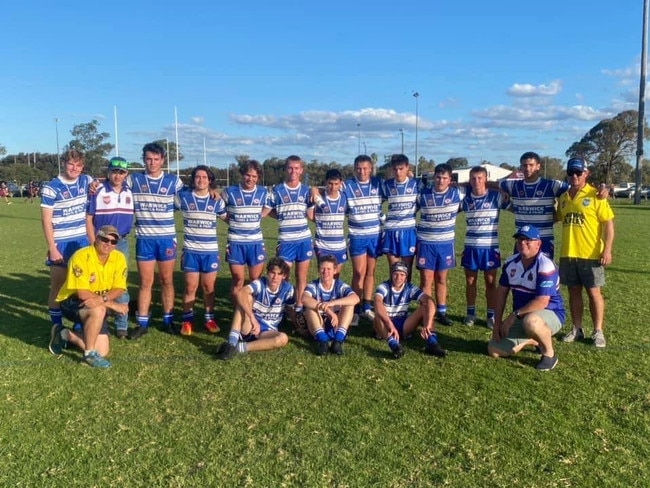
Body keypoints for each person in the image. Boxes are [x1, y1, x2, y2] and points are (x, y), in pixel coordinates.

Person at [48, 225, 129, 368]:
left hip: (96, 303)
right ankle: (89, 355)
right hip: (72, 301)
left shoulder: (119, 258)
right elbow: (82, 293)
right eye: (105, 239)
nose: (108, 244)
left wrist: (100, 300)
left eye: (113, 242)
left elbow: (119, 288)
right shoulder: (81, 256)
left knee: (102, 352)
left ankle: (64, 334)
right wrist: (111, 304)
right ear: (96, 238)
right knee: (99, 310)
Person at [488, 225, 565, 371]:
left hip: (550, 313)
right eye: (519, 240)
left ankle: (549, 354)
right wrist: (497, 324)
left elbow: (542, 301)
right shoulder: (511, 263)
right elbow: (501, 294)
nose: (522, 243)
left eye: (527, 240)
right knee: (494, 350)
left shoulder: (546, 266)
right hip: (521, 317)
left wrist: (513, 316)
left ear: (538, 243)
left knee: (532, 322)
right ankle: (533, 340)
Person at [556, 157, 614, 348]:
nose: (574, 176)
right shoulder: (563, 198)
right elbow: (555, 218)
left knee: (594, 293)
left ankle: (598, 331)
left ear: (586, 174)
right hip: (568, 254)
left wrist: (607, 249)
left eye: (578, 173)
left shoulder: (596, 195)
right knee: (573, 293)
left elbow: (608, 224)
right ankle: (577, 329)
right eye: (571, 172)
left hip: (590, 255)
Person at [128, 142, 184, 339]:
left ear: (162, 161)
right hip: (144, 238)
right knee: (145, 282)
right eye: (148, 159)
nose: (152, 163)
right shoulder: (133, 180)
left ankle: (168, 320)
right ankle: (142, 322)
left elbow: (191, 195)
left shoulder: (173, 182)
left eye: (156, 159)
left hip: (166, 239)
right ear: (143, 159)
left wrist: (211, 191)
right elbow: (114, 185)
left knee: (166, 280)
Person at [42, 149, 94, 352]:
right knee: (58, 287)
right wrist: (52, 248)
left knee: (81, 287)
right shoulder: (51, 187)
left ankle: (79, 326)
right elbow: (46, 220)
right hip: (61, 243)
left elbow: (97, 184)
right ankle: (56, 326)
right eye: (71, 164)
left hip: (81, 242)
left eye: (79, 165)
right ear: (64, 163)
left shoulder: (86, 180)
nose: (75, 168)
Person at [85, 156, 134, 338]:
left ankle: (122, 323)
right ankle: (96, 316)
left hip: (121, 243)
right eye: (114, 171)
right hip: (100, 242)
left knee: (120, 282)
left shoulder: (130, 191)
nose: (117, 175)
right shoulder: (97, 190)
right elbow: (89, 219)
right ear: (108, 172)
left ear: (126, 174)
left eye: (121, 172)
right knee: (96, 281)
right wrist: (92, 242)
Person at [176, 165, 227, 336]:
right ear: (193, 179)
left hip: (210, 251)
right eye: (198, 177)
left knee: (208, 287)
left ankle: (209, 319)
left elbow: (227, 217)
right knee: (190, 287)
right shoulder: (183, 197)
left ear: (210, 180)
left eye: (205, 177)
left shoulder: (216, 200)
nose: (201, 180)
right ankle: (187, 320)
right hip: (191, 250)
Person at [215, 258, 294, 360]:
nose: (275, 277)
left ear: (284, 276)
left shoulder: (288, 289)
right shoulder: (260, 283)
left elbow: (292, 310)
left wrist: (299, 326)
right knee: (245, 297)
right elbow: (240, 293)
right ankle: (231, 342)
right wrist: (253, 318)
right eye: (272, 273)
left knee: (283, 338)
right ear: (267, 272)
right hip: (250, 326)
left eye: (279, 274)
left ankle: (237, 348)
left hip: (266, 332)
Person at [415, 163, 465, 326]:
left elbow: (479, 184)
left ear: (450, 180)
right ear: (433, 177)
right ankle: (426, 311)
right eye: (438, 177)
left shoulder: (458, 192)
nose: (440, 181)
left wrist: (500, 190)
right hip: (426, 243)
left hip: (445, 244)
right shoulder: (423, 194)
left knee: (442, 279)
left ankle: (442, 312)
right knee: (426, 280)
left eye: (444, 178)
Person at [498, 152, 568, 259]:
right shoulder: (513, 185)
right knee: (520, 273)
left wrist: (602, 190)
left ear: (538, 166)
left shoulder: (552, 185)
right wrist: (500, 189)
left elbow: (576, 188)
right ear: (521, 167)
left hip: (544, 239)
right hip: (522, 239)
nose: (527, 168)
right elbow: (486, 183)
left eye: (531, 165)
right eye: (524, 165)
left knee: (543, 273)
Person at [460, 166, 506, 329]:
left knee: (490, 282)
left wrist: (500, 188)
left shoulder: (496, 197)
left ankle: (491, 316)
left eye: (480, 178)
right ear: (469, 180)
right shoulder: (465, 200)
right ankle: (470, 314)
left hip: (490, 248)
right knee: (470, 281)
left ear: (486, 179)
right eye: (473, 178)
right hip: (470, 247)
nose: (477, 181)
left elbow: (513, 200)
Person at [267, 155, 314, 312]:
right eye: (290, 168)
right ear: (285, 170)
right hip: (286, 240)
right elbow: (269, 211)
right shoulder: (277, 190)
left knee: (301, 277)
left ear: (301, 170)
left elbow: (310, 213)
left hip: (304, 240)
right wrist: (282, 215)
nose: (293, 171)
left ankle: (299, 307)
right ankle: (279, 307)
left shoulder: (306, 191)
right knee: (282, 276)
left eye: (296, 168)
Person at [220, 159, 272, 299]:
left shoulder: (263, 192)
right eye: (248, 175)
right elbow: (218, 207)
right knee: (238, 280)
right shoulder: (229, 191)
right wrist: (230, 221)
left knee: (255, 281)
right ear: (242, 174)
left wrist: (258, 216)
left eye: (254, 176)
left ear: (258, 178)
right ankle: (238, 313)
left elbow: (269, 206)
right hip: (235, 242)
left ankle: (252, 312)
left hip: (255, 243)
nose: (250, 179)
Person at [373, 261, 446, 359]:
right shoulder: (384, 286)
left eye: (402, 275)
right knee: (378, 314)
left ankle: (432, 343)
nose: (399, 278)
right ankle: (394, 346)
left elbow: (430, 301)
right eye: (396, 274)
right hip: (386, 326)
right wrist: (390, 324)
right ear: (391, 275)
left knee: (425, 307)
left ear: (406, 277)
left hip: (404, 325)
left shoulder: (409, 288)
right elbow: (377, 303)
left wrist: (428, 323)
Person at [342, 155, 384, 324]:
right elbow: (330, 190)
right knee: (358, 272)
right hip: (357, 235)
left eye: (365, 168)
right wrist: (315, 190)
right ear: (354, 169)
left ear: (371, 169)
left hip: (375, 235)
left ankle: (366, 305)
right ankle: (355, 307)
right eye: (359, 168)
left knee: (370, 272)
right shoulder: (348, 185)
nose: (362, 171)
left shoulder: (378, 184)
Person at [301, 255, 359, 355]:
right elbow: (304, 298)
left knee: (349, 304)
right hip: (318, 326)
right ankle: (322, 342)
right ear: (318, 270)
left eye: (329, 269)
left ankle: (337, 341)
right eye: (323, 268)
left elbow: (356, 298)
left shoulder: (339, 285)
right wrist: (328, 311)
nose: (325, 272)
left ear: (335, 271)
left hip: (335, 326)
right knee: (310, 308)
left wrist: (332, 303)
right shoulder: (314, 285)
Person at [381, 154, 419, 280]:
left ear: (407, 168)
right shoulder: (387, 185)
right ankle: (393, 299)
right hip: (391, 231)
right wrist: (382, 217)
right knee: (394, 271)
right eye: (395, 169)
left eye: (401, 169)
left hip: (408, 231)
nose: (398, 172)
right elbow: (375, 202)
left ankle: (405, 299)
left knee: (406, 271)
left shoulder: (416, 185)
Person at [310, 169, 348, 277]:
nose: (333, 187)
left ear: (340, 183)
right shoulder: (319, 197)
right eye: (330, 184)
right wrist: (313, 190)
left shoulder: (345, 197)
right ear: (326, 182)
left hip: (339, 246)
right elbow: (309, 215)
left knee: (336, 277)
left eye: (336, 184)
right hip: (322, 245)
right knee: (325, 276)